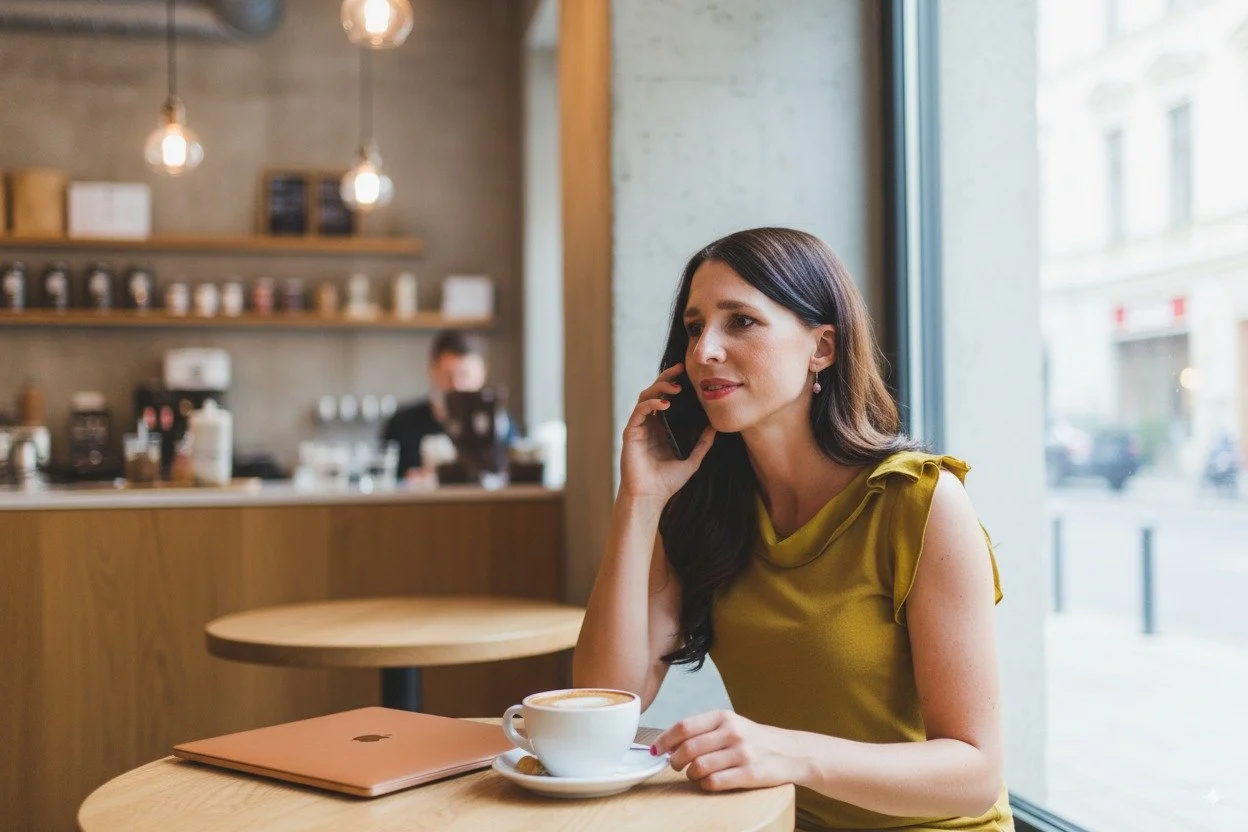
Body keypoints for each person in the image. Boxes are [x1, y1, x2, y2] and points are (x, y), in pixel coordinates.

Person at [573, 227, 1011, 831]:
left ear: (822, 348)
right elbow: (606, 699)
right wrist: (639, 500)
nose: (704, 352)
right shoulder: (705, 507)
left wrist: (789, 754)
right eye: (695, 327)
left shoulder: (920, 503)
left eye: (741, 322)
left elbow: (974, 775)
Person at [382, 329, 500, 478]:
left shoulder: (500, 425)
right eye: (448, 375)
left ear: (482, 373)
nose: (457, 385)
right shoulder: (401, 424)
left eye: (465, 375)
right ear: (433, 372)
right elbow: (385, 479)